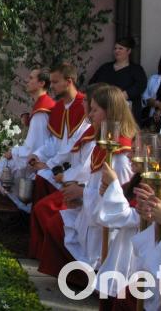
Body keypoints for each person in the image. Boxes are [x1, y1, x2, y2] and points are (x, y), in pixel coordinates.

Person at [31, 85, 136, 283]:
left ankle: (88, 280)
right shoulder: (103, 146)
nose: (90, 115)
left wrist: (81, 193)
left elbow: (118, 199)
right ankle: (78, 279)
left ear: (110, 113)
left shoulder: (120, 156)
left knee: (56, 223)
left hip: (106, 227)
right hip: (90, 212)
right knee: (55, 222)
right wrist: (81, 197)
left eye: (95, 110)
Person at [0, 68, 56, 212]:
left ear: (41, 83)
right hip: (40, 154)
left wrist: (13, 152)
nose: (27, 80)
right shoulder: (43, 104)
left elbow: (35, 146)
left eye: (31, 78)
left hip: (38, 159)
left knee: (1, 168)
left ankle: (24, 207)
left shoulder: (41, 111)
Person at [27, 63, 91, 203]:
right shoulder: (59, 108)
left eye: (55, 82)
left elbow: (74, 143)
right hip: (59, 164)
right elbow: (55, 140)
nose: (51, 86)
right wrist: (38, 155)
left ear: (69, 82)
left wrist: (49, 164)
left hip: (76, 168)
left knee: (43, 177)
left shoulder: (84, 105)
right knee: (39, 176)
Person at [88, 37, 148, 124]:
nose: (117, 51)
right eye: (115, 48)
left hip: (126, 111)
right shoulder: (105, 67)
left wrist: (121, 95)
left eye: (121, 48)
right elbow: (92, 83)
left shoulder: (136, 69)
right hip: (104, 108)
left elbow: (141, 85)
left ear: (129, 51)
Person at [141, 55, 161, 132]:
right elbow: (144, 97)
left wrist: (160, 111)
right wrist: (156, 103)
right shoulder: (154, 78)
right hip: (152, 118)